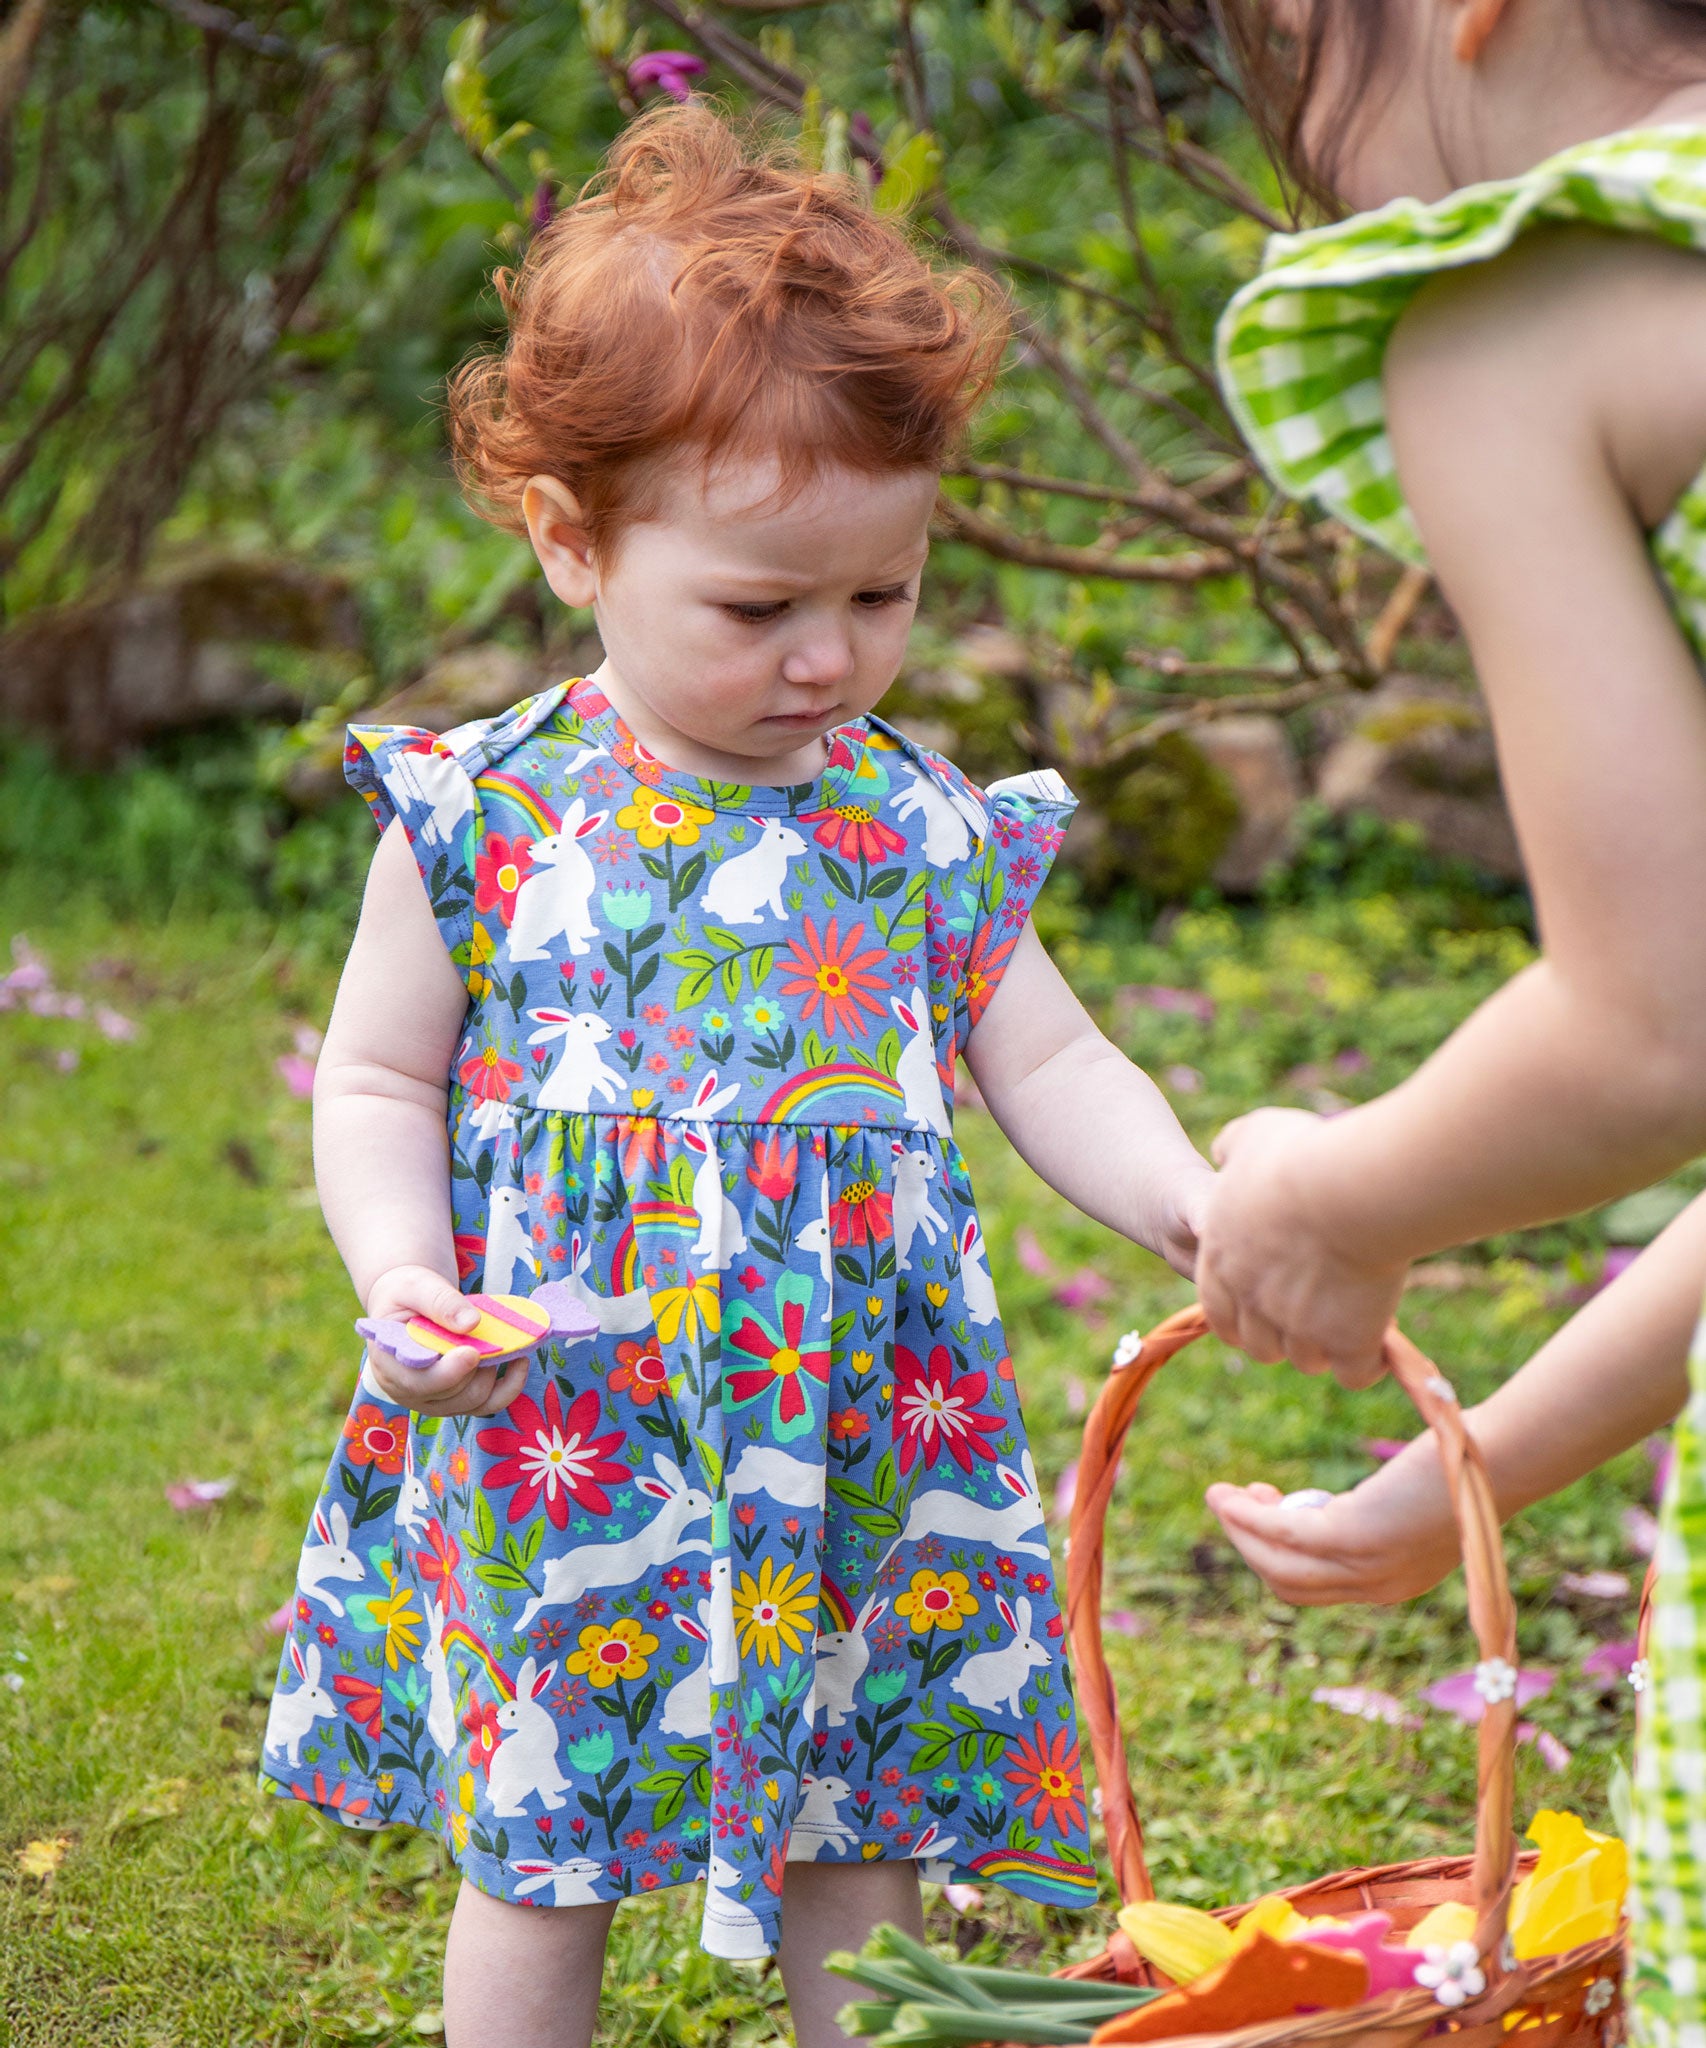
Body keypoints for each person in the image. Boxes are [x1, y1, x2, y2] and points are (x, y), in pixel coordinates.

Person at [259, 104, 1214, 2048]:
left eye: (880, 595)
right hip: (573, 1422)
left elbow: (1046, 1051)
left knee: (853, 1807)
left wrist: (1190, 1196)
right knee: (548, 1832)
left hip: (864, 1432)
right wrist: (397, 1272)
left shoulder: (917, 821)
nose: (827, 658)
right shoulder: (489, 816)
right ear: (568, 540)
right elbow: (373, 1077)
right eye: (757, 607)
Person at [1193, 2, 1706, 2039]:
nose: (1293, 145)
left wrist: (1336, 1195)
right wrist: (1475, 1466)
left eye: (1282, 44)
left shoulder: (1517, 335)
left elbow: (1658, 1021)